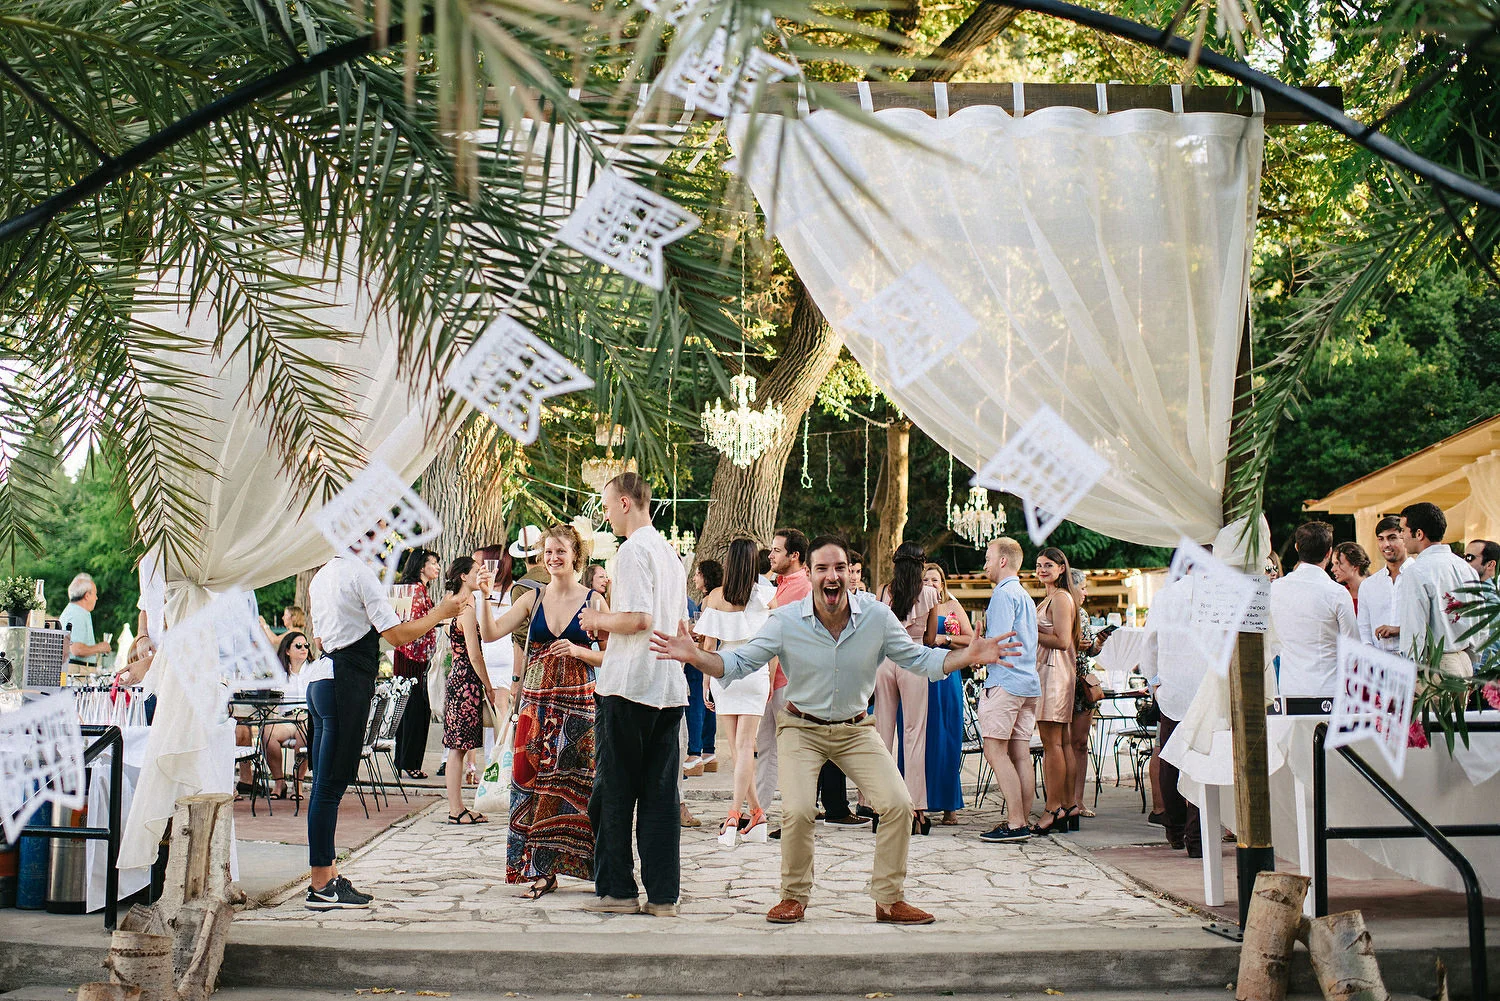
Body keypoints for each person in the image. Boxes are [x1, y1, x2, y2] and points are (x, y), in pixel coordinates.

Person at [653, 534, 1021, 924]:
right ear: (810, 574)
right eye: (823, 568)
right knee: (796, 811)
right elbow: (738, 663)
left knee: (898, 805)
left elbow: (919, 659)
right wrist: (697, 656)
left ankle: (889, 899)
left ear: (850, 574)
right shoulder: (785, 621)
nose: (832, 576)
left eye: (840, 568)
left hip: (856, 728)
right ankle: (794, 897)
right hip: (801, 728)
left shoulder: (876, 617)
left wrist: (968, 654)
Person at [305, 549, 464, 909]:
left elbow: (319, 640)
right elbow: (395, 636)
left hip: (322, 680)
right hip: (343, 683)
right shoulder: (360, 574)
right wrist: (440, 613)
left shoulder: (321, 575)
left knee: (324, 787)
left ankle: (327, 877)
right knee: (329, 788)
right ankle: (320, 886)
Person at [577, 472, 689, 917]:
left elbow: (639, 619)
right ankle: (664, 896)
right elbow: (677, 624)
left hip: (629, 685)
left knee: (614, 792)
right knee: (661, 797)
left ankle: (617, 890)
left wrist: (597, 621)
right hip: (668, 685)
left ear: (625, 503)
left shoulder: (631, 551)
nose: (604, 514)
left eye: (606, 505)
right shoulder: (671, 554)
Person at [477, 525, 604, 898]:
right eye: (548, 552)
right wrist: (484, 597)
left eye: (560, 551)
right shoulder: (532, 597)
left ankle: (581, 865)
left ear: (575, 556)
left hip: (579, 707)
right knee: (529, 784)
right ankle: (538, 870)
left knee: (574, 786)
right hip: (535, 704)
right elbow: (490, 633)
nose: (553, 558)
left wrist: (580, 651)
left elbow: (613, 654)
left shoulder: (594, 601)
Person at [695, 538, 774, 847]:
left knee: (737, 747)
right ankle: (756, 814)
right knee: (744, 749)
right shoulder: (767, 596)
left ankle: (732, 815)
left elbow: (709, 647)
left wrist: (705, 682)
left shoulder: (715, 597)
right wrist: (770, 675)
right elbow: (774, 645)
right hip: (756, 673)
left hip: (724, 672)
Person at [975, 537, 1038, 844]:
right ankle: (1022, 819)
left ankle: (1015, 823)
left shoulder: (1002, 595)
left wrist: (977, 648)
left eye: (988, 557)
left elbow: (996, 645)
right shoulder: (1025, 595)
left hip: (1005, 681)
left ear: (1002, 561)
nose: (985, 563)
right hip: (1028, 682)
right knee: (1021, 754)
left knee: (995, 750)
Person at [1140, 559, 1205, 856]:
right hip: (1207, 689)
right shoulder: (1218, 595)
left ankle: (1175, 829)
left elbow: (1148, 644)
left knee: (1170, 760)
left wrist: (1155, 683)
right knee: (1202, 761)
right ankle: (1197, 835)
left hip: (1174, 689)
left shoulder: (1165, 596)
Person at [873, 542, 939, 834]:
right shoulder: (929, 594)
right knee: (914, 734)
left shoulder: (884, 592)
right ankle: (916, 810)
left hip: (886, 660)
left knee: (882, 733)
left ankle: (880, 808)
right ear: (921, 565)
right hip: (914, 658)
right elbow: (932, 637)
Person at [441, 557, 505, 824]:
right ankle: (456, 809)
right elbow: (475, 654)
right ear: (464, 577)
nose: (482, 575)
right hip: (466, 680)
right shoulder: (466, 609)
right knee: (458, 746)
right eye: (477, 572)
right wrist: (488, 687)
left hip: (458, 677)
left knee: (458, 745)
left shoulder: (454, 604)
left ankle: (457, 807)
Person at [755, 528, 812, 830]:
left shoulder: (803, 588)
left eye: (777, 550)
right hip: (769, 678)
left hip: (789, 680)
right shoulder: (774, 587)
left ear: (794, 556)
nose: (771, 555)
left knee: (792, 751)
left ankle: (796, 817)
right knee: (766, 747)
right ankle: (758, 812)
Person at [1268, 522, 1358, 698]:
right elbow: (1353, 649)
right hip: (1330, 689)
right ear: (1329, 552)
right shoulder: (1337, 593)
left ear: (1296, 547)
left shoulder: (1275, 589)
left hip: (1289, 687)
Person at [1398, 502, 1480, 674]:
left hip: (1436, 664)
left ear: (1419, 534)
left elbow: (1414, 629)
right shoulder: (1466, 568)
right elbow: (1480, 621)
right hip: (1464, 662)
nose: (1401, 536)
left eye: (1403, 530)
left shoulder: (1416, 571)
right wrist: (1472, 659)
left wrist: (1409, 668)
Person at [1033, 547, 1081, 834]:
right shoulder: (1052, 597)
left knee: (1053, 744)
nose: (1042, 570)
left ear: (1062, 568)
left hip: (1053, 673)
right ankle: (1068, 804)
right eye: (1039, 565)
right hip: (1053, 672)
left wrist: (1028, 630)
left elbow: (1062, 640)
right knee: (1061, 742)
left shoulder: (1061, 598)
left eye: (1048, 565)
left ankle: (1053, 809)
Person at [922, 563, 969, 826]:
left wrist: (945, 639)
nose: (930, 584)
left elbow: (971, 637)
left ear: (942, 584)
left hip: (948, 676)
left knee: (948, 737)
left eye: (935, 580)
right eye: (926, 580)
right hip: (922, 675)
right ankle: (923, 799)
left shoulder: (952, 606)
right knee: (923, 738)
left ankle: (950, 805)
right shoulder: (918, 607)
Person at [392, 548, 441, 780]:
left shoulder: (406, 588)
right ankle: (411, 763)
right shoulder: (416, 591)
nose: (437, 567)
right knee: (417, 711)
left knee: (405, 709)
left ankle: (401, 760)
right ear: (421, 566)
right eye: (433, 563)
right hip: (415, 656)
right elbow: (417, 623)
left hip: (402, 655)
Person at [262, 630, 314, 798]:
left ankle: (298, 785)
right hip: (286, 718)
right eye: (298, 646)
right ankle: (279, 782)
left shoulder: (314, 670)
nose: (303, 648)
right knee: (268, 733)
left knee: (304, 735)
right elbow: (272, 702)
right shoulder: (278, 672)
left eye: (306, 645)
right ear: (287, 650)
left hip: (307, 718)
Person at [1067, 569, 1101, 820]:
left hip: (1081, 683)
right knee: (1063, 744)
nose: (1086, 593)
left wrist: (1096, 645)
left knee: (1080, 744)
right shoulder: (1059, 608)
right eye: (1084, 587)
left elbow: (1089, 652)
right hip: (1061, 680)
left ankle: (1078, 800)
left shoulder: (1084, 615)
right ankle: (1064, 799)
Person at [683, 559, 722, 778]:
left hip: (702, 657)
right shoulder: (717, 597)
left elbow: (708, 635)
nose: (695, 578)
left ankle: (694, 753)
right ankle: (708, 752)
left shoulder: (709, 600)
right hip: (713, 658)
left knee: (696, 703)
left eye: (698, 574)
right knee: (708, 703)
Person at [1360, 516, 1408, 653]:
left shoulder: (1419, 577)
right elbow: (1364, 628)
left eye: (1392, 538)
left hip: (1414, 662)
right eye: (1381, 539)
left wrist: (1399, 630)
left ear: (1404, 538)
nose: (1386, 544)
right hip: (1378, 664)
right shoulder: (1369, 585)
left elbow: (1429, 622)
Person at [60, 574, 112, 670]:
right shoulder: (77, 614)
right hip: (78, 671)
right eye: (95, 594)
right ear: (87, 595)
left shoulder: (73, 611)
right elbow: (77, 649)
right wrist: (101, 647)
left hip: (76, 670)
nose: (96, 598)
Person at [1330, 542, 1371, 613]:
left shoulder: (1377, 591)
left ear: (1355, 565)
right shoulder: (1339, 595)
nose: (1333, 569)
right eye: (1333, 564)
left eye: (1338, 563)